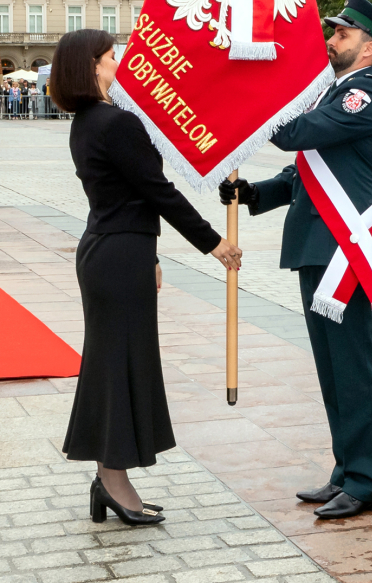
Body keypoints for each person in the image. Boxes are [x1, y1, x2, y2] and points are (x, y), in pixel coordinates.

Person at [220, 0, 372, 519]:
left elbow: (298, 133)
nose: (331, 39)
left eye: (342, 34)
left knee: (355, 370)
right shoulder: (335, 93)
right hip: (319, 248)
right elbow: (305, 169)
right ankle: (347, 470)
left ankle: (367, 481)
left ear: (368, 48)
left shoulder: (365, 96)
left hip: (347, 254)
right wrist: (257, 194)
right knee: (332, 370)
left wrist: (247, 96)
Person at [54, 28, 239, 527]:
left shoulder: (89, 121)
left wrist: (150, 253)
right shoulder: (116, 123)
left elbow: (125, 196)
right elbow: (159, 192)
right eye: (113, 57)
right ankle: (113, 480)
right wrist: (213, 243)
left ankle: (109, 478)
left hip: (114, 250)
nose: (121, 63)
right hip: (118, 257)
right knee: (116, 367)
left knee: (116, 363)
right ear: (93, 66)